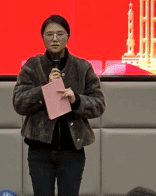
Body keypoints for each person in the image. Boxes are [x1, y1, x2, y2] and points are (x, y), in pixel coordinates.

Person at [12, 14, 106, 196]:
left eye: (60, 34)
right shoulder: (32, 66)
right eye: (49, 34)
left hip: (72, 151)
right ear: (43, 38)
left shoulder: (82, 67)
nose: (55, 38)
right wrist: (44, 90)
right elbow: (19, 102)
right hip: (40, 151)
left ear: (68, 37)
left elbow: (99, 104)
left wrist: (76, 100)